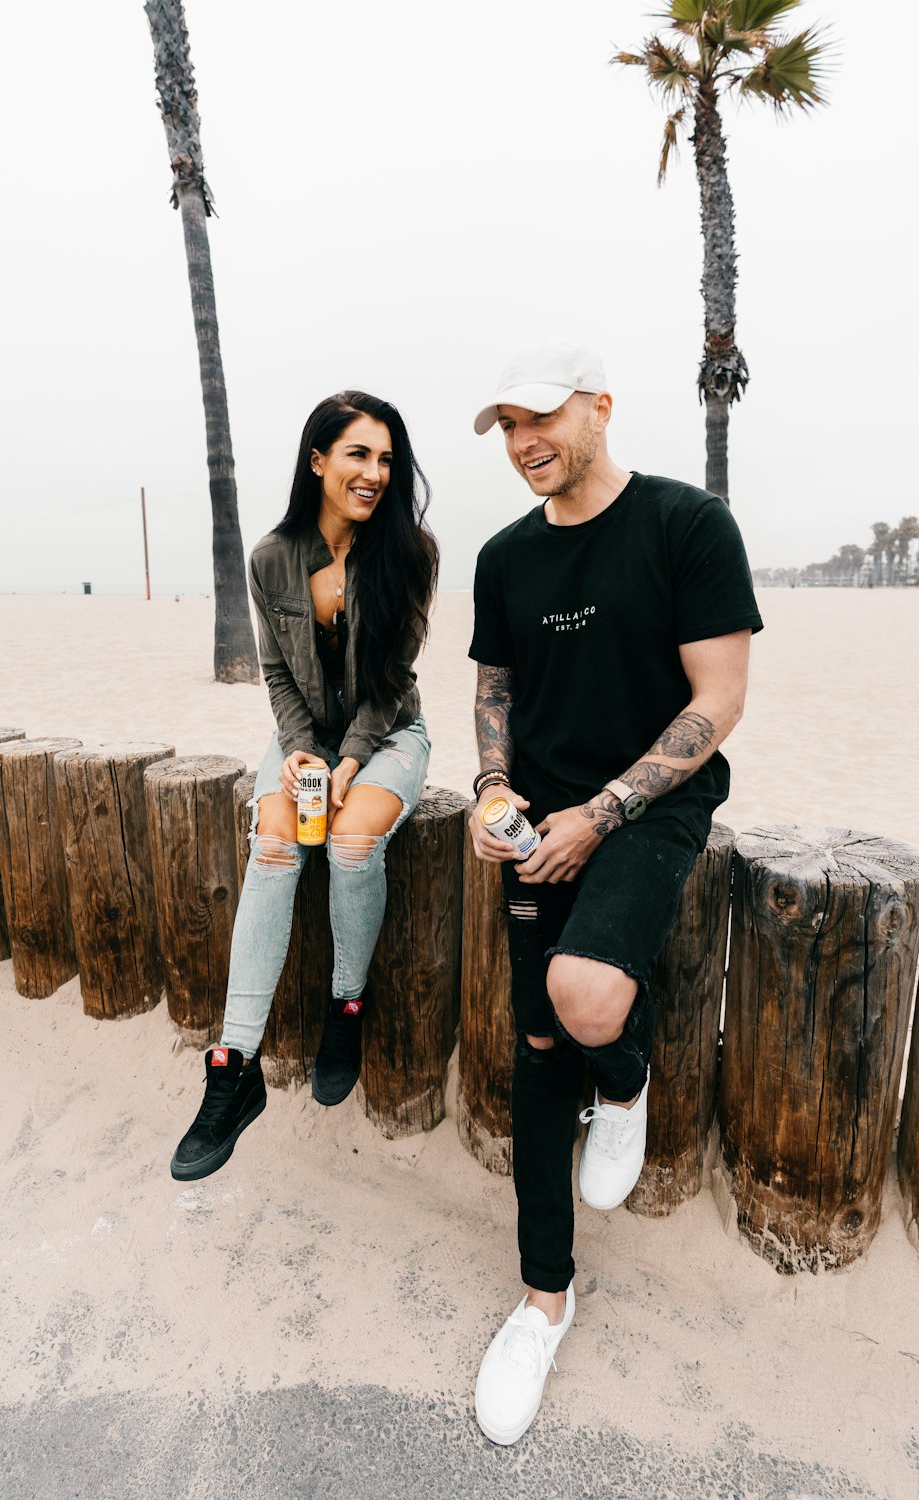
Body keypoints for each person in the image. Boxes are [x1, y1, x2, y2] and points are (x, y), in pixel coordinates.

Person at [466, 339, 762, 1445]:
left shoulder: (686, 525)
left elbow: (717, 702)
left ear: (599, 406)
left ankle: (627, 1084)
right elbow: (494, 690)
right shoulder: (503, 557)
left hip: (651, 803)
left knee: (585, 1001)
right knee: (537, 1044)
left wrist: (604, 814)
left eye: (540, 416)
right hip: (537, 818)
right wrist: (494, 788)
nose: (524, 442)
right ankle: (544, 1301)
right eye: (504, 426)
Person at [170, 391, 438, 1181]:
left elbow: (390, 684)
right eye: (358, 454)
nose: (375, 473)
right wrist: (296, 750)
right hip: (303, 742)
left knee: (352, 842)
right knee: (276, 849)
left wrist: (349, 761)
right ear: (318, 459)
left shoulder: (409, 553)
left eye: (387, 459)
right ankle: (234, 1068)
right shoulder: (271, 558)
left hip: (390, 734)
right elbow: (280, 675)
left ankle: (346, 1006)